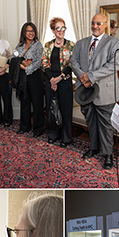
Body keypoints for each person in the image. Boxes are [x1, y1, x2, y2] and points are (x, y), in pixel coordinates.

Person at [71, 14, 119, 169]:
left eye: (99, 23)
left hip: (105, 92)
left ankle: (108, 155)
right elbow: (73, 61)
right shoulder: (81, 43)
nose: (95, 26)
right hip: (84, 91)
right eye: (93, 23)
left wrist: (91, 76)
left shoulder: (115, 43)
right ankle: (93, 148)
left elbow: (114, 65)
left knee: (105, 124)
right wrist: (82, 76)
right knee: (90, 121)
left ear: (105, 24)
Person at [42, 17, 75, 146]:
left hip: (65, 81)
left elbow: (72, 64)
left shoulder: (71, 45)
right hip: (50, 81)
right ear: (53, 30)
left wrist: (59, 78)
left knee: (65, 109)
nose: (61, 30)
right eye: (58, 28)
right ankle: (53, 135)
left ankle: (66, 138)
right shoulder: (48, 45)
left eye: (63, 27)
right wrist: (52, 80)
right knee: (52, 108)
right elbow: (44, 63)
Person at [13, 22, 45, 136]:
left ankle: (38, 129)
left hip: (35, 77)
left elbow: (39, 62)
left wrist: (27, 68)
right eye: (28, 31)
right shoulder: (19, 45)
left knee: (37, 103)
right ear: (24, 32)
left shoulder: (38, 45)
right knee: (24, 102)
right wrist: (22, 63)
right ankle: (24, 127)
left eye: (32, 31)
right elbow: (13, 57)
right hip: (23, 78)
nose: (30, 33)